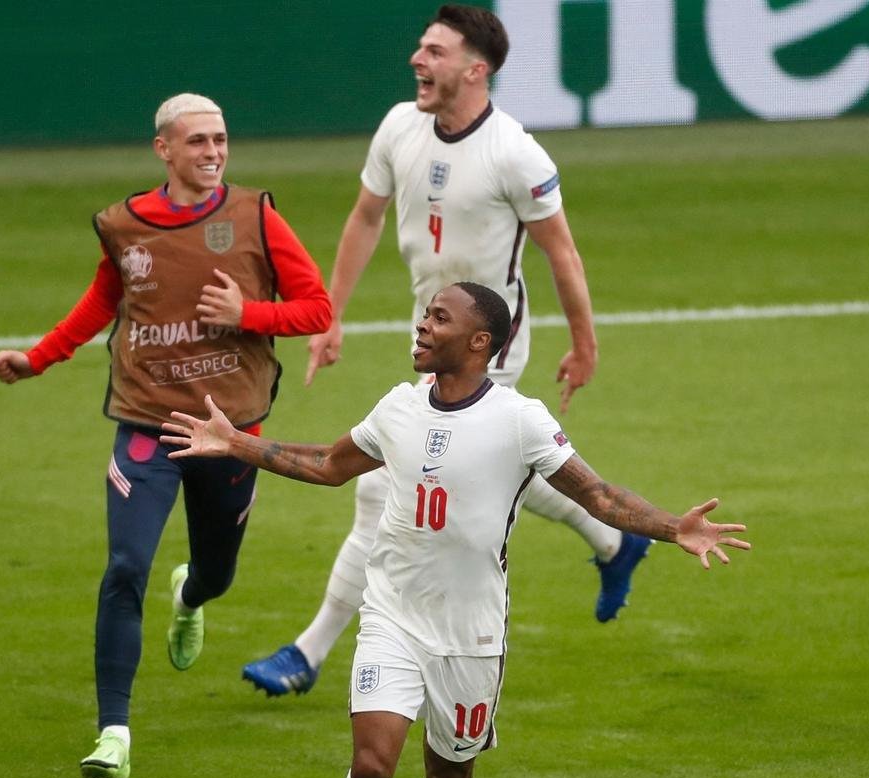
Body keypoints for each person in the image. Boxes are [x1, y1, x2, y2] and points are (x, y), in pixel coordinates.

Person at [161, 282, 750, 778]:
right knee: (370, 768)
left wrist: (673, 527)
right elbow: (329, 465)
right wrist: (236, 443)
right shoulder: (398, 407)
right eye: (426, 313)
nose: (422, 324)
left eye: (440, 317)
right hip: (392, 611)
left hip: (471, 630)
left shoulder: (520, 420)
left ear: (479, 342)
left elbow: (597, 495)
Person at [242, 3, 650, 699]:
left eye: (433, 51)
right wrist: (327, 316)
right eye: (419, 48)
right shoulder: (399, 127)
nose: (416, 60)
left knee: (382, 486)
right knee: (496, 480)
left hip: (491, 347)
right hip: (430, 331)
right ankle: (615, 540)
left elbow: (561, 252)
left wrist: (583, 346)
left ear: (474, 68)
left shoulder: (516, 153)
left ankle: (307, 653)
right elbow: (364, 218)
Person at [0, 93, 332, 778]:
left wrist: (248, 313)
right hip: (147, 424)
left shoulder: (254, 216)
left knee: (216, 572)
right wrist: (38, 357)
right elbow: (102, 301)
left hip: (229, 435)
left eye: (221, 140)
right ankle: (113, 730)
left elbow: (317, 309)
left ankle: (191, 599)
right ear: (164, 150)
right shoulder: (123, 226)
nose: (213, 153)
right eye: (198, 141)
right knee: (123, 568)